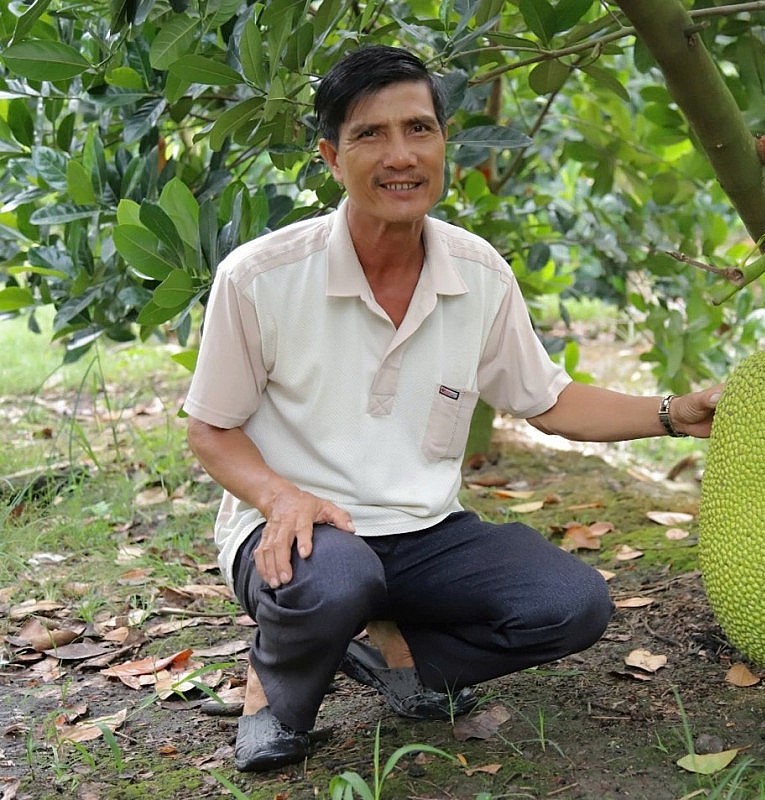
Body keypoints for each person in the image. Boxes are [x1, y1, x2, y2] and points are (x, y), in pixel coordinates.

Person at [184, 43, 722, 773]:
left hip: (424, 534)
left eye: (419, 129)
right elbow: (210, 427)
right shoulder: (261, 278)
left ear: (444, 144)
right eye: (370, 134)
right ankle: (273, 697)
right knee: (340, 578)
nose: (400, 155)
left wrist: (671, 412)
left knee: (572, 603)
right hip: (300, 533)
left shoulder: (478, 274)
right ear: (330, 158)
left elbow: (551, 401)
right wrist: (278, 497)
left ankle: (394, 654)